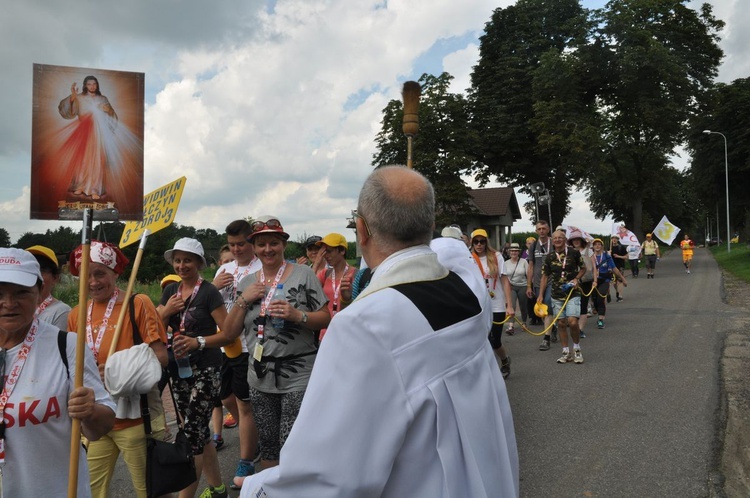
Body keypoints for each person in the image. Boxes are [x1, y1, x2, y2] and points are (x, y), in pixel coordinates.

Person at [239, 165, 518, 498]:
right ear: (429, 226)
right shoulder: (464, 289)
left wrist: (257, 488)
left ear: (361, 230)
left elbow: (330, 476)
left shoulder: (364, 325)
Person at [0, 248, 116, 498]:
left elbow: (100, 428)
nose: (9, 303)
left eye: (21, 292)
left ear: (40, 292)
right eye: (0, 293)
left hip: (56, 490)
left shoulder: (67, 345)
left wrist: (90, 410)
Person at [219, 216, 331, 472]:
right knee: (269, 444)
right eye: (261, 244)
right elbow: (229, 332)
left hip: (298, 372)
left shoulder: (303, 274)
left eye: (274, 243)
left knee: (293, 441)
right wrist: (243, 300)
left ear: (283, 245)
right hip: (259, 375)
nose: (267, 249)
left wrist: (297, 315)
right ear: (254, 248)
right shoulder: (248, 283)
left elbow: (325, 317)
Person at [67, 241, 169, 498]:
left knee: (150, 491)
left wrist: (116, 372)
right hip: (96, 422)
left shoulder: (138, 303)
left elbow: (160, 358)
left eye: (100, 273)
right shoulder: (76, 314)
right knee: (90, 491)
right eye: (85, 275)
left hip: (137, 419)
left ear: (115, 273)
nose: (92, 282)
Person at [158, 237, 228, 498]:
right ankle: (219, 489)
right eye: (177, 260)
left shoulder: (209, 292)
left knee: (192, 436)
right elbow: (154, 324)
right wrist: (167, 311)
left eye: (187, 260)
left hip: (207, 369)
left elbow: (228, 333)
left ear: (199, 262)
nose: (181, 265)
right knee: (199, 432)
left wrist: (198, 342)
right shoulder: (170, 292)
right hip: (180, 369)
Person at [212, 219, 262, 489]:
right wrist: (214, 283)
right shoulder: (225, 268)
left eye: (241, 244)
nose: (237, 249)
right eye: (232, 245)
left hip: (248, 345)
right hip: (224, 344)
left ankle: (246, 460)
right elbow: (211, 300)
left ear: (251, 241)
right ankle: (253, 439)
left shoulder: (261, 268)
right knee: (224, 396)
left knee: (244, 405)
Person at [537, 230, 586, 364]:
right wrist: (540, 295)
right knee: (561, 323)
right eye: (555, 238)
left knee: (573, 322)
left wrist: (576, 279)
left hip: (572, 293)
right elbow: (545, 276)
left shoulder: (574, 253)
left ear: (565, 240)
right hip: (556, 294)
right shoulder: (550, 257)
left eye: (560, 238)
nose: (557, 240)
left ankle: (576, 348)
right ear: (552, 240)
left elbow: (583, 268)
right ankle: (565, 352)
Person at [470, 228, 514, 379]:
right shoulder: (469, 258)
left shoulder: (496, 256)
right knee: (481, 340)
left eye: (482, 241)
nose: (479, 244)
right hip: (479, 305)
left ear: (486, 242)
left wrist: (509, 305)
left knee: (494, 340)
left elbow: (504, 281)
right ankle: (488, 371)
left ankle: (504, 360)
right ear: (472, 243)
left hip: (497, 304)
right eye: (476, 241)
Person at [316, 233, 357, 342]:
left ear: (342, 251)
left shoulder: (356, 275)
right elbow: (308, 288)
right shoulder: (325, 274)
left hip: (348, 333)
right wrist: (316, 264)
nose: (325, 256)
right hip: (326, 334)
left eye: (329, 251)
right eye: (324, 252)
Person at [26, 245, 71, 329]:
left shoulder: (61, 312)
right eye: (29, 270)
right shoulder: (14, 308)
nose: (35, 276)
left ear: (55, 278)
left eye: (41, 271)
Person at [526, 220, 556, 348]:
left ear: (548, 230)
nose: (542, 231)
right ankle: (552, 328)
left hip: (552, 280)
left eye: (544, 228)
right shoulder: (533, 246)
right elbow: (531, 266)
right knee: (541, 310)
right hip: (538, 282)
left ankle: (546, 338)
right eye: (539, 229)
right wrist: (529, 285)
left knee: (548, 304)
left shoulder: (554, 243)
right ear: (536, 231)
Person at [591, 238, 628, 330]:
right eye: (595, 244)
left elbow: (614, 268)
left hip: (604, 280)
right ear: (593, 247)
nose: (597, 246)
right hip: (593, 281)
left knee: (601, 298)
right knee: (594, 299)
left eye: (599, 244)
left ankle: (601, 319)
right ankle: (597, 309)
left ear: (602, 246)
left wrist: (623, 279)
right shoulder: (590, 257)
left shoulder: (606, 256)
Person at [568, 231, 596, 339]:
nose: (576, 241)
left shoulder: (588, 251)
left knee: (583, 305)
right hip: (573, 281)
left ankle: (580, 329)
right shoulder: (569, 252)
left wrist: (595, 280)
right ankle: (573, 325)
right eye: (574, 240)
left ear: (581, 241)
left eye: (578, 239)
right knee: (573, 304)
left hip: (586, 281)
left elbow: (594, 266)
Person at [504, 242, 529, 334]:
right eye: (512, 251)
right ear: (509, 252)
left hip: (523, 286)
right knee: (512, 305)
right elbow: (504, 276)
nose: (514, 253)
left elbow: (528, 274)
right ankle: (511, 325)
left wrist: (529, 286)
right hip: (511, 287)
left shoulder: (524, 261)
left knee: (523, 306)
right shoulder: (506, 263)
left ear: (518, 252)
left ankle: (524, 322)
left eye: (516, 251)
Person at [610, 235, 628, 302]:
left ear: (618, 239)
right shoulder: (609, 248)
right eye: (613, 238)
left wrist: (618, 256)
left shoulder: (621, 247)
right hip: (611, 267)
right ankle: (617, 291)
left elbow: (626, 257)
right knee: (614, 282)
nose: (614, 240)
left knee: (619, 281)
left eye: (615, 238)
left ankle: (620, 296)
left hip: (620, 266)